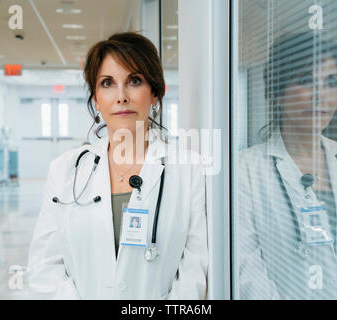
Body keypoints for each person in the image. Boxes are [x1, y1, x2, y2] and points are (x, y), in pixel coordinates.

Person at [26, 32, 208, 299]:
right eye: (107, 83)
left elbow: (195, 267)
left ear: (155, 92)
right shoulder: (65, 171)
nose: (121, 96)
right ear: (96, 98)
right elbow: (43, 268)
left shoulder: (188, 170)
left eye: (134, 81)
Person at [237, 32, 337, 299]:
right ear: (276, 93)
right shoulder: (245, 169)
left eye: (331, 82)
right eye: (306, 81)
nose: (321, 95)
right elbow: (245, 266)